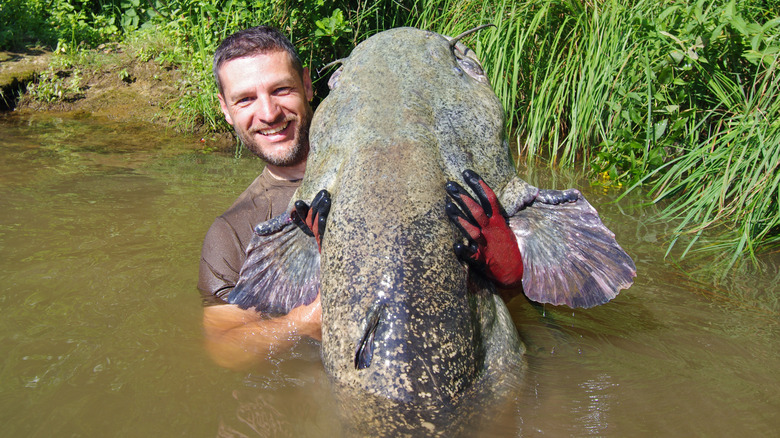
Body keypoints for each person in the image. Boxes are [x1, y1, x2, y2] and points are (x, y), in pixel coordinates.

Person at [198, 26, 321, 370]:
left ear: (307, 85)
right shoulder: (232, 231)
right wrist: (303, 322)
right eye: (246, 99)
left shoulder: (381, 161)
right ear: (225, 108)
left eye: (281, 89)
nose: (268, 114)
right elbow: (224, 347)